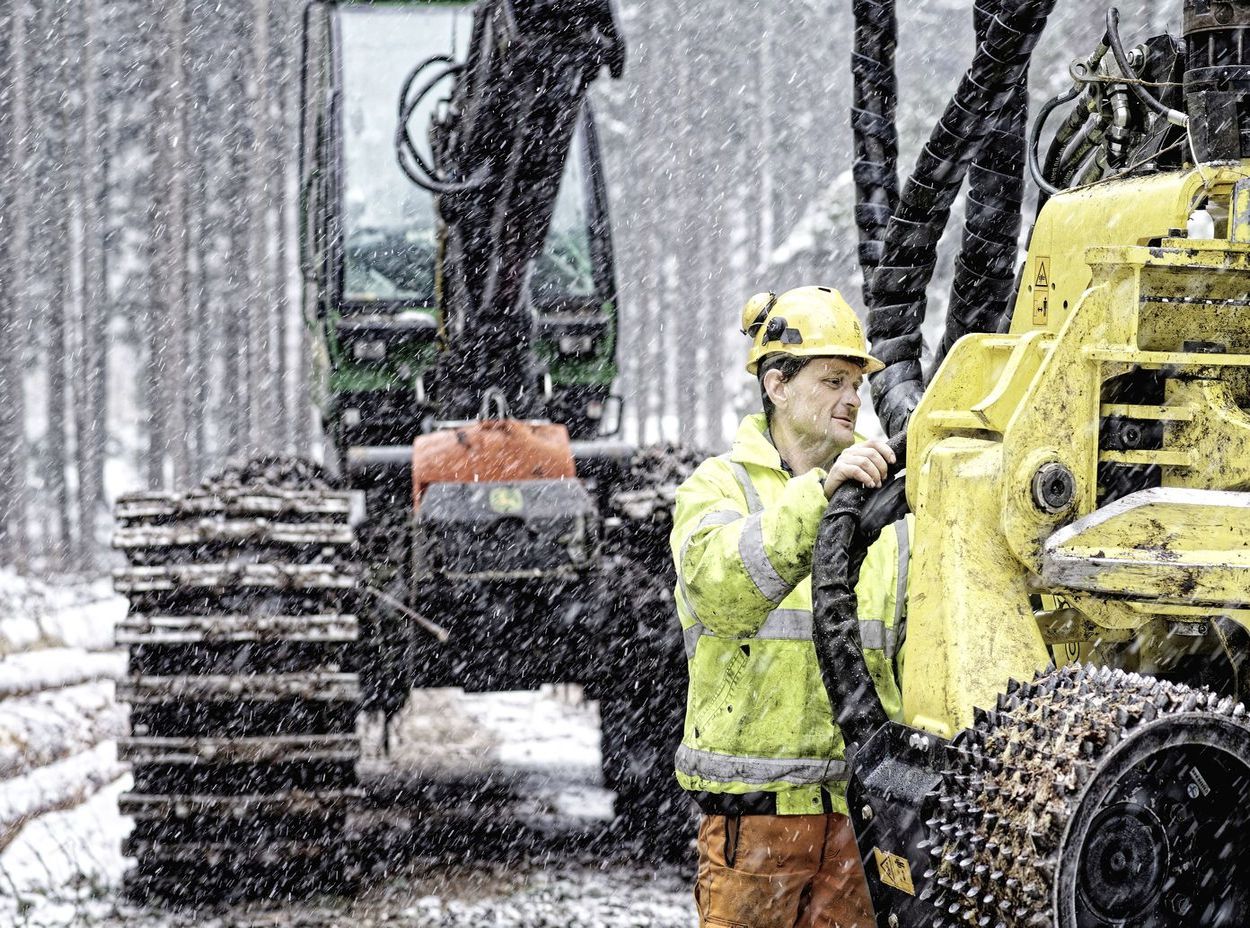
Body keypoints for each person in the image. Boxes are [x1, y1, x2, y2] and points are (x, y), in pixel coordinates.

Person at [670, 285, 909, 928]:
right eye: (832, 380)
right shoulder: (721, 487)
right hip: (758, 819)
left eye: (857, 383)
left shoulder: (885, 507)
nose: (853, 399)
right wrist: (820, 497)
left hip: (861, 819)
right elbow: (722, 590)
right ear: (776, 385)